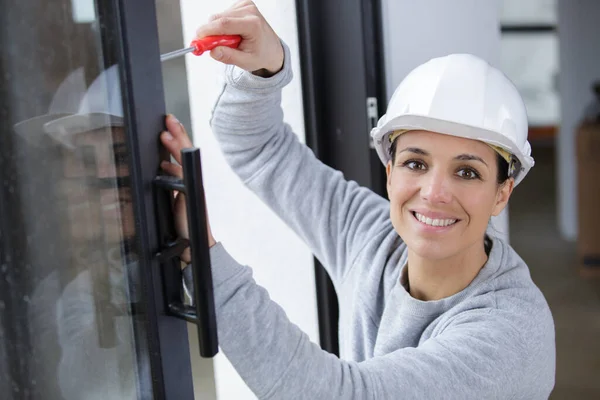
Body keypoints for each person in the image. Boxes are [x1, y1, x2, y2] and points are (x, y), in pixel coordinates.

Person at [160, 2, 556, 398]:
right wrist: (264, 69)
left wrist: (204, 258)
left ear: (502, 193)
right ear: (389, 172)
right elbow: (260, 149)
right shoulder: (370, 238)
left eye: (467, 172)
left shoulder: (511, 334)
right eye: (416, 163)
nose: (434, 193)